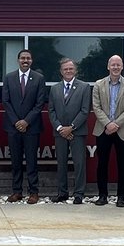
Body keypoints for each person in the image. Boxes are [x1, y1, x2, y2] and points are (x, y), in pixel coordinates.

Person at [91, 54, 124, 207]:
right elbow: (96, 107)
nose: (116, 67)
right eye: (113, 64)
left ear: (122, 66)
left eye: (118, 64)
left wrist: (115, 124)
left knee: (123, 165)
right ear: (108, 66)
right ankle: (102, 195)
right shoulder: (99, 84)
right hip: (103, 130)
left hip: (122, 130)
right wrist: (107, 124)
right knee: (102, 164)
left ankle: (121, 197)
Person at [2, 48, 47, 204]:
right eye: (22, 58)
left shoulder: (39, 78)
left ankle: (34, 192)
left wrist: (26, 121)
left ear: (31, 61)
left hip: (32, 127)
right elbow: (6, 102)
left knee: (31, 161)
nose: (25, 60)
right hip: (12, 127)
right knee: (15, 161)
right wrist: (16, 121)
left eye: (28, 58)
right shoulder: (8, 78)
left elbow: (40, 103)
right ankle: (17, 191)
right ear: (18, 60)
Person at [48, 58, 91, 204]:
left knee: (79, 163)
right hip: (60, 132)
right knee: (61, 163)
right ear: (61, 71)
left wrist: (71, 127)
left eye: (70, 69)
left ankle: (79, 193)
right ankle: (62, 193)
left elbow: (85, 111)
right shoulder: (54, 88)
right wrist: (60, 128)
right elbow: (51, 111)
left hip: (77, 132)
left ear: (75, 70)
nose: (68, 71)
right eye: (65, 69)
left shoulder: (84, 87)